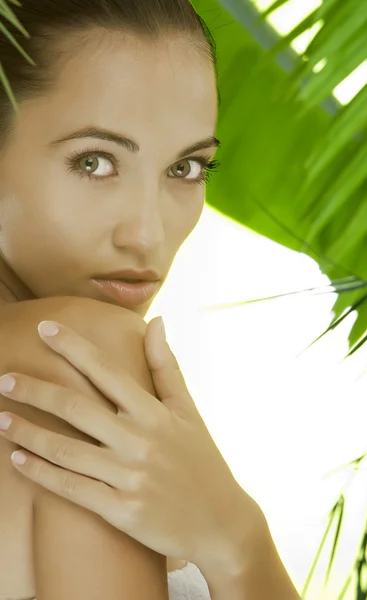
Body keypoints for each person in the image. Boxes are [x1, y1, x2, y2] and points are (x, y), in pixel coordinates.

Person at [0, 0, 301, 599]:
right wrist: (239, 543)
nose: (147, 233)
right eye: (95, 161)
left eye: (187, 168)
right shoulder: (73, 350)